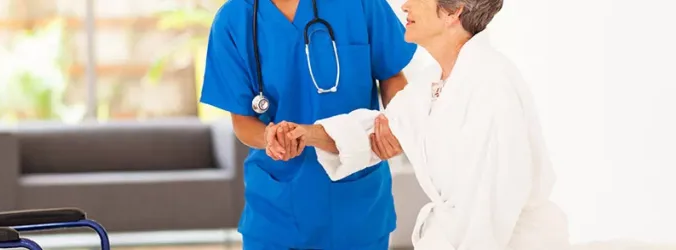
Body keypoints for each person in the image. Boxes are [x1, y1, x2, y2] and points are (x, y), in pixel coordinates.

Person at [277, 0, 572, 249]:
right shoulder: (435, 80)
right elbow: (380, 128)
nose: (405, 5)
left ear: (453, 12)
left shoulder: (491, 85)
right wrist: (306, 134)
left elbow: (487, 213)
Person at [198, 0, 418, 248]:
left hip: (357, 203)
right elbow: (242, 121)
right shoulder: (234, 19)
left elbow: (391, 75)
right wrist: (269, 137)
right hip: (277, 208)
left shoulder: (361, 4)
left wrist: (397, 125)